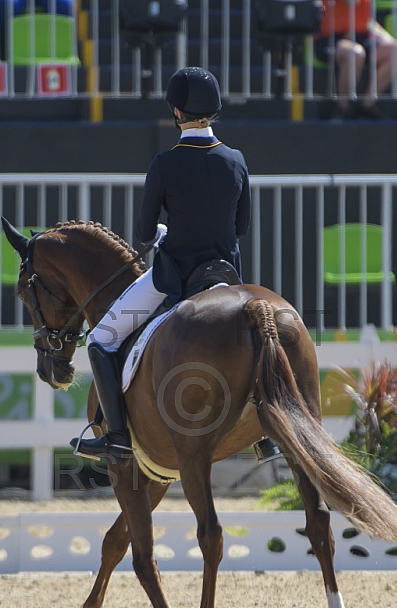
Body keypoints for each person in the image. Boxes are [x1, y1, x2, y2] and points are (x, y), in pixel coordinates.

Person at [73, 66, 280, 464]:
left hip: (173, 279)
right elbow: (242, 227)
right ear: (214, 112)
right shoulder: (236, 161)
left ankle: (116, 436)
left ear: (177, 113)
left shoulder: (165, 163)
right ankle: (263, 434)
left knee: (100, 340)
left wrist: (168, 231)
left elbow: (145, 231)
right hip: (224, 278)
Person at [314, 0, 397, 120]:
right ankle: (342, 108)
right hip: (330, 39)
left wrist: (386, 38)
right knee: (354, 53)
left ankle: (367, 106)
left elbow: (367, 20)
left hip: (361, 36)